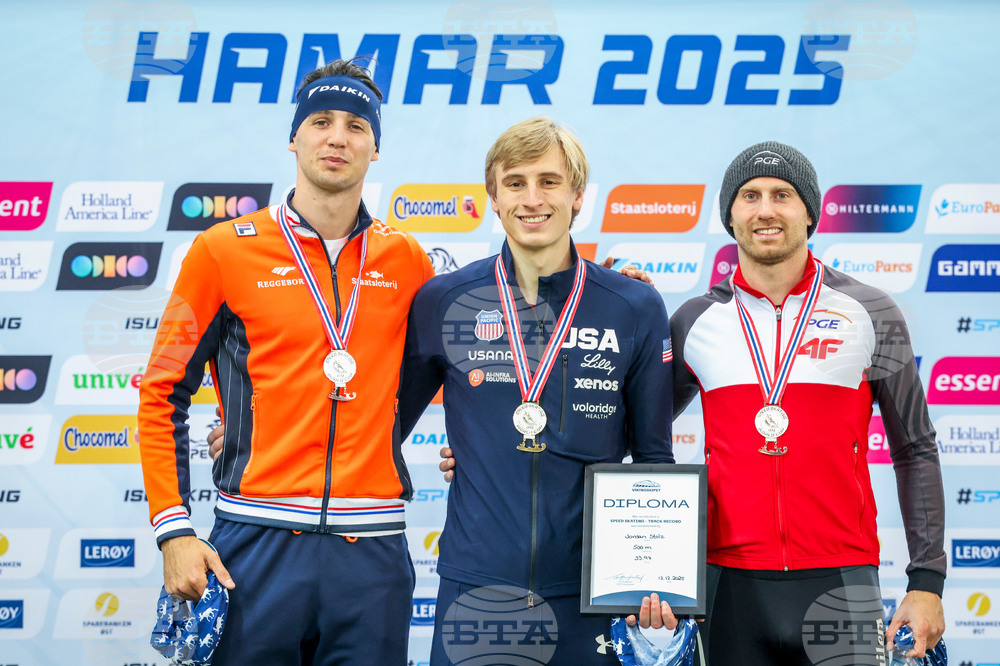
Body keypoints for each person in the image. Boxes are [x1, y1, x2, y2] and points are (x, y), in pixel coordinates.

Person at [138, 58, 434, 665]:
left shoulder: (410, 261)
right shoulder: (221, 251)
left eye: (356, 125)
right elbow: (162, 388)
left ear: (375, 147)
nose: (337, 137)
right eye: (321, 120)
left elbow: (478, 353)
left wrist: (600, 293)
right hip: (255, 544)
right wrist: (173, 531)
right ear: (293, 136)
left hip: (372, 551)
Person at [630, 141, 946, 664]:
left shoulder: (871, 312)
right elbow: (629, 431)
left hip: (842, 579)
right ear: (731, 216)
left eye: (783, 194)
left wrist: (927, 580)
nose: (766, 210)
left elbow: (915, 448)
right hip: (726, 581)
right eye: (749, 195)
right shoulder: (694, 321)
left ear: (810, 212)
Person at [398, 116, 676, 665]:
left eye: (550, 181)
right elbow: (376, 422)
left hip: (591, 595)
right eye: (516, 182)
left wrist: (654, 577)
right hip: (475, 589)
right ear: (493, 199)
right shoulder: (443, 300)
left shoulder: (632, 305)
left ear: (577, 197)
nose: (533, 198)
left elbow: (653, 457)